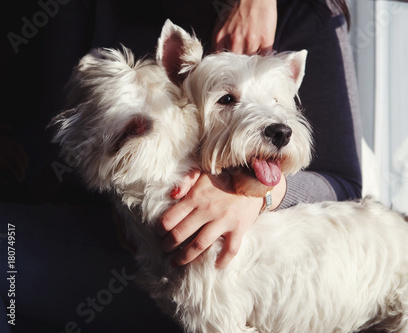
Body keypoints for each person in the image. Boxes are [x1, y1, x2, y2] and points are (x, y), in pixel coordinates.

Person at [0, 0, 360, 331]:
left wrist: (256, 196)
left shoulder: (305, 14)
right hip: (116, 236)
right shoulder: (83, 12)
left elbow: (344, 183)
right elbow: (55, 132)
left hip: (219, 269)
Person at [158, 0, 362, 268]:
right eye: (228, 99)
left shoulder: (309, 15)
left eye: (277, 102)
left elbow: (345, 187)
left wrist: (262, 197)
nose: (277, 125)